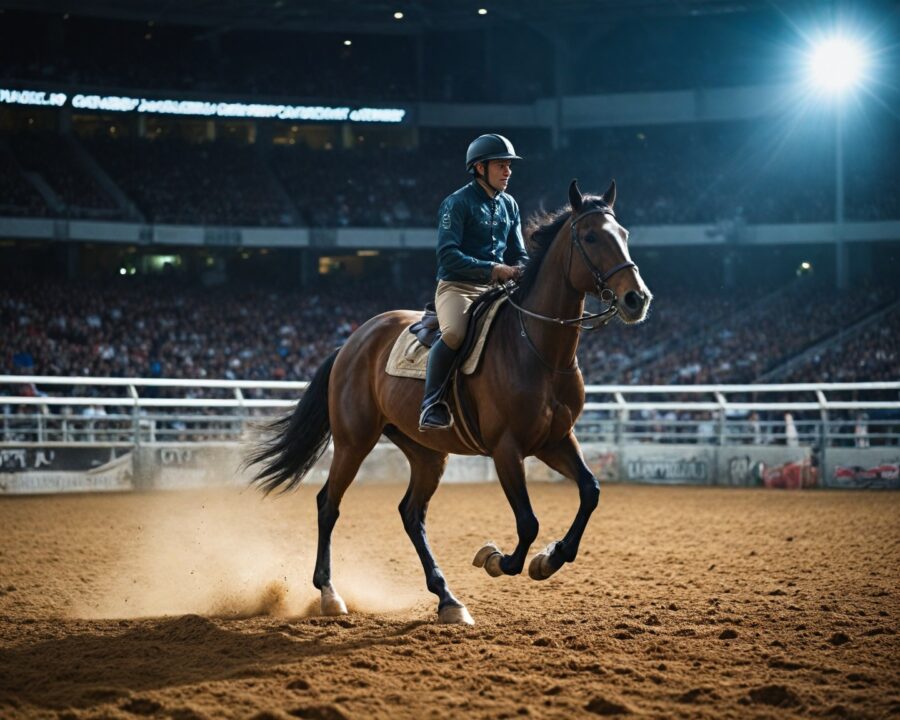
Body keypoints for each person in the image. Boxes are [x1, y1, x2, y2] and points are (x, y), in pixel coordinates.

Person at [419, 133, 528, 431]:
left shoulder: (510, 205)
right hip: (458, 287)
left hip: (498, 289)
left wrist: (527, 271)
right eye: (501, 165)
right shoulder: (456, 203)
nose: (508, 172)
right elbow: (448, 256)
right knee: (454, 334)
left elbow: (520, 254)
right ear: (480, 168)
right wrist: (494, 269)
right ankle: (431, 403)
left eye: (509, 166)